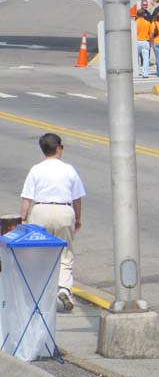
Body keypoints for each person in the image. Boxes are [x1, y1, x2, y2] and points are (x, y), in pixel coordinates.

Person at [19, 133, 86, 312]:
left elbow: (27, 197)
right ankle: (63, 288)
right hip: (64, 211)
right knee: (65, 253)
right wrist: (78, 218)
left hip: (40, 211)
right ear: (58, 149)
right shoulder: (69, 169)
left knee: (40, 252)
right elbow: (77, 198)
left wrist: (23, 218)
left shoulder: (36, 169)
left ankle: (41, 293)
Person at [135, 9, 152, 77]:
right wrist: (150, 42)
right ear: (143, 15)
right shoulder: (148, 23)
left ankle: (136, 72)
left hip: (137, 41)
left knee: (135, 58)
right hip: (145, 41)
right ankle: (145, 74)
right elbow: (150, 34)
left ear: (137, 15)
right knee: (146, 58)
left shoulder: (135, 23)